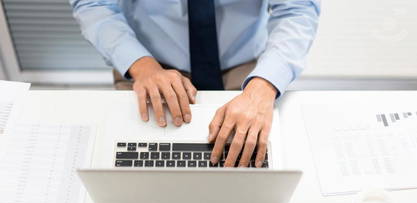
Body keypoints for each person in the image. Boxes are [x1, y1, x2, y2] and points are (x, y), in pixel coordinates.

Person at [70, 0, 320, 167]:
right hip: (147, 64)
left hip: (247, 69)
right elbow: (94, 4)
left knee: (250, 171)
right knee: (138, 173)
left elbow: (297, 9)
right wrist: (143, 66)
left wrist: (263, 85)